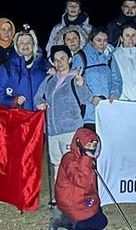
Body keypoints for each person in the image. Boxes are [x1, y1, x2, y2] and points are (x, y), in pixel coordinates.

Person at [36, 46, 95, 200]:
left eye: (62, 58)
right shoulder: (49, 79)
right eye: (56, 60)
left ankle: (75, 197)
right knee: (57, 164)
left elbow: (87, 98)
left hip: (71, 129)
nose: (59, 62)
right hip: (51, 130)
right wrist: (40, 103)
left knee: (73, 164)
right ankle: (60, 197)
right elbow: (38, 96)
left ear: (69, 59)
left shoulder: (75, 78)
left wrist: (81, 84)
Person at [49, 127, 109, 230]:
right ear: (79, 144)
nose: (91, 149)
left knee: (97, 211)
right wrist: (87, 158)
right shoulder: (69, 160)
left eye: (94, 146)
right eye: (88, 146)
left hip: (82, 198)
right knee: (101, 222)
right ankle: (65, 222)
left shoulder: (88, 160)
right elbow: (82, 182)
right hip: (72, 202)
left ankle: (68, 215)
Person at [0, 29, 49, 110]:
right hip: (19, 115)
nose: (25, 45)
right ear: (16, 46)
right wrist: (13, 101)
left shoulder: (44, 65)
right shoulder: (7, 67)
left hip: (40, 115)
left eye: (29, 42)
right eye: (21, 43)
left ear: (34, 45)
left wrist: (45, 102)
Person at [73, 28, 122, 107]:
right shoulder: (81, 57)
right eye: (99, 40)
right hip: (88, 107)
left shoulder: (109, 58)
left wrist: (115, 94)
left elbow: (117, 79)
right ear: (91, 41)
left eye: (105, 40)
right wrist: (90, 99)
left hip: (108, 105)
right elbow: (75, 83)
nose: (102, 44)